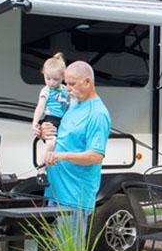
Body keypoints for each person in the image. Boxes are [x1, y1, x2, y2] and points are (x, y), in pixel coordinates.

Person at [40, 60, 111, 232]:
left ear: (87, 82)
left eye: (72, 84)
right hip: (55, 190)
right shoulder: (72, 105)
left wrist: (60, 156)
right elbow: (63, 137)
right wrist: (45, 131)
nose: (68, 88)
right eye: (66, 83)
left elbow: (95, 156)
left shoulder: (97, 113)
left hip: (74, 197)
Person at [30, 52, 71, 183]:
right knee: (51, 143)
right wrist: (35, 122)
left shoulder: (65, 89)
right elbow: (40, 107)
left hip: (63, 120)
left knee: (61, 144)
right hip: (51, 118)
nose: (51, 82)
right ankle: (41, 170)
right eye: (48, 78)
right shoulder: (46, 91)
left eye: (55, 79)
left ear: (63, 78)